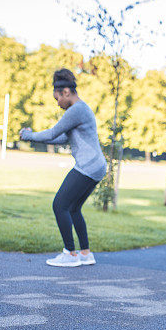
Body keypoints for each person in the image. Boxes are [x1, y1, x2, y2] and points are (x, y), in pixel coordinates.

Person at [20, 69, 107, 267]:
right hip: (96, 166)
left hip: (88, 166)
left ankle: (70, 254)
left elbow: (52, 133)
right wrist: (34, 136)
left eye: (57, 98)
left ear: (66, 92)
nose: (57, 103)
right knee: (74, 208)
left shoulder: (76, 110)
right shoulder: (80, 110)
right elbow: (60, 138)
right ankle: (85, 253)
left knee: (59, 205)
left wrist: (29, 135)